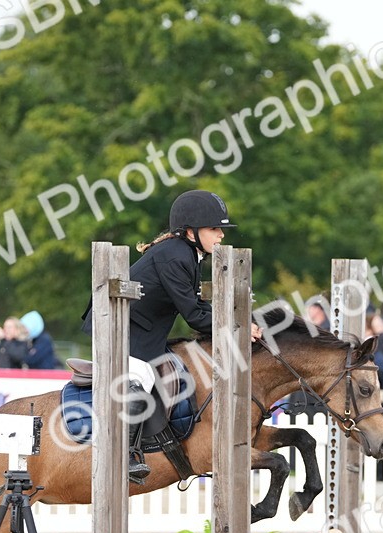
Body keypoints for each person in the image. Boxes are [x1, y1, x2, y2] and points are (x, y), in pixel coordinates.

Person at [82, 189, 257, 483]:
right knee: (142, 380)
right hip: (119, 328)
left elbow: (198, 306)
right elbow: (193, 316)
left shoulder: (187, 253)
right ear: (191, 230)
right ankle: (123, 455)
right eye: (215, 229)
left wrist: (242, 321)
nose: (221, 236)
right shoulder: (175, 257)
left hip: (142, 330)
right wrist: (238, 328)